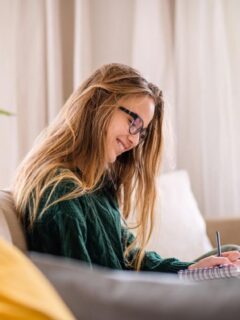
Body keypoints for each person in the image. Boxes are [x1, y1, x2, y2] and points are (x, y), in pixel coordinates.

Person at [12, 63, 240, 272]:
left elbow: (130, 259)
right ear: (98, 103)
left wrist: (189, 270)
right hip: (119, 306)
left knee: (228, 257)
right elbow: (81, 292)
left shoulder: (97, 187)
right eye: (134, 123)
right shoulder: (60, 191)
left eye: (142, 132)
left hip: (127, 296)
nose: (134, 141)